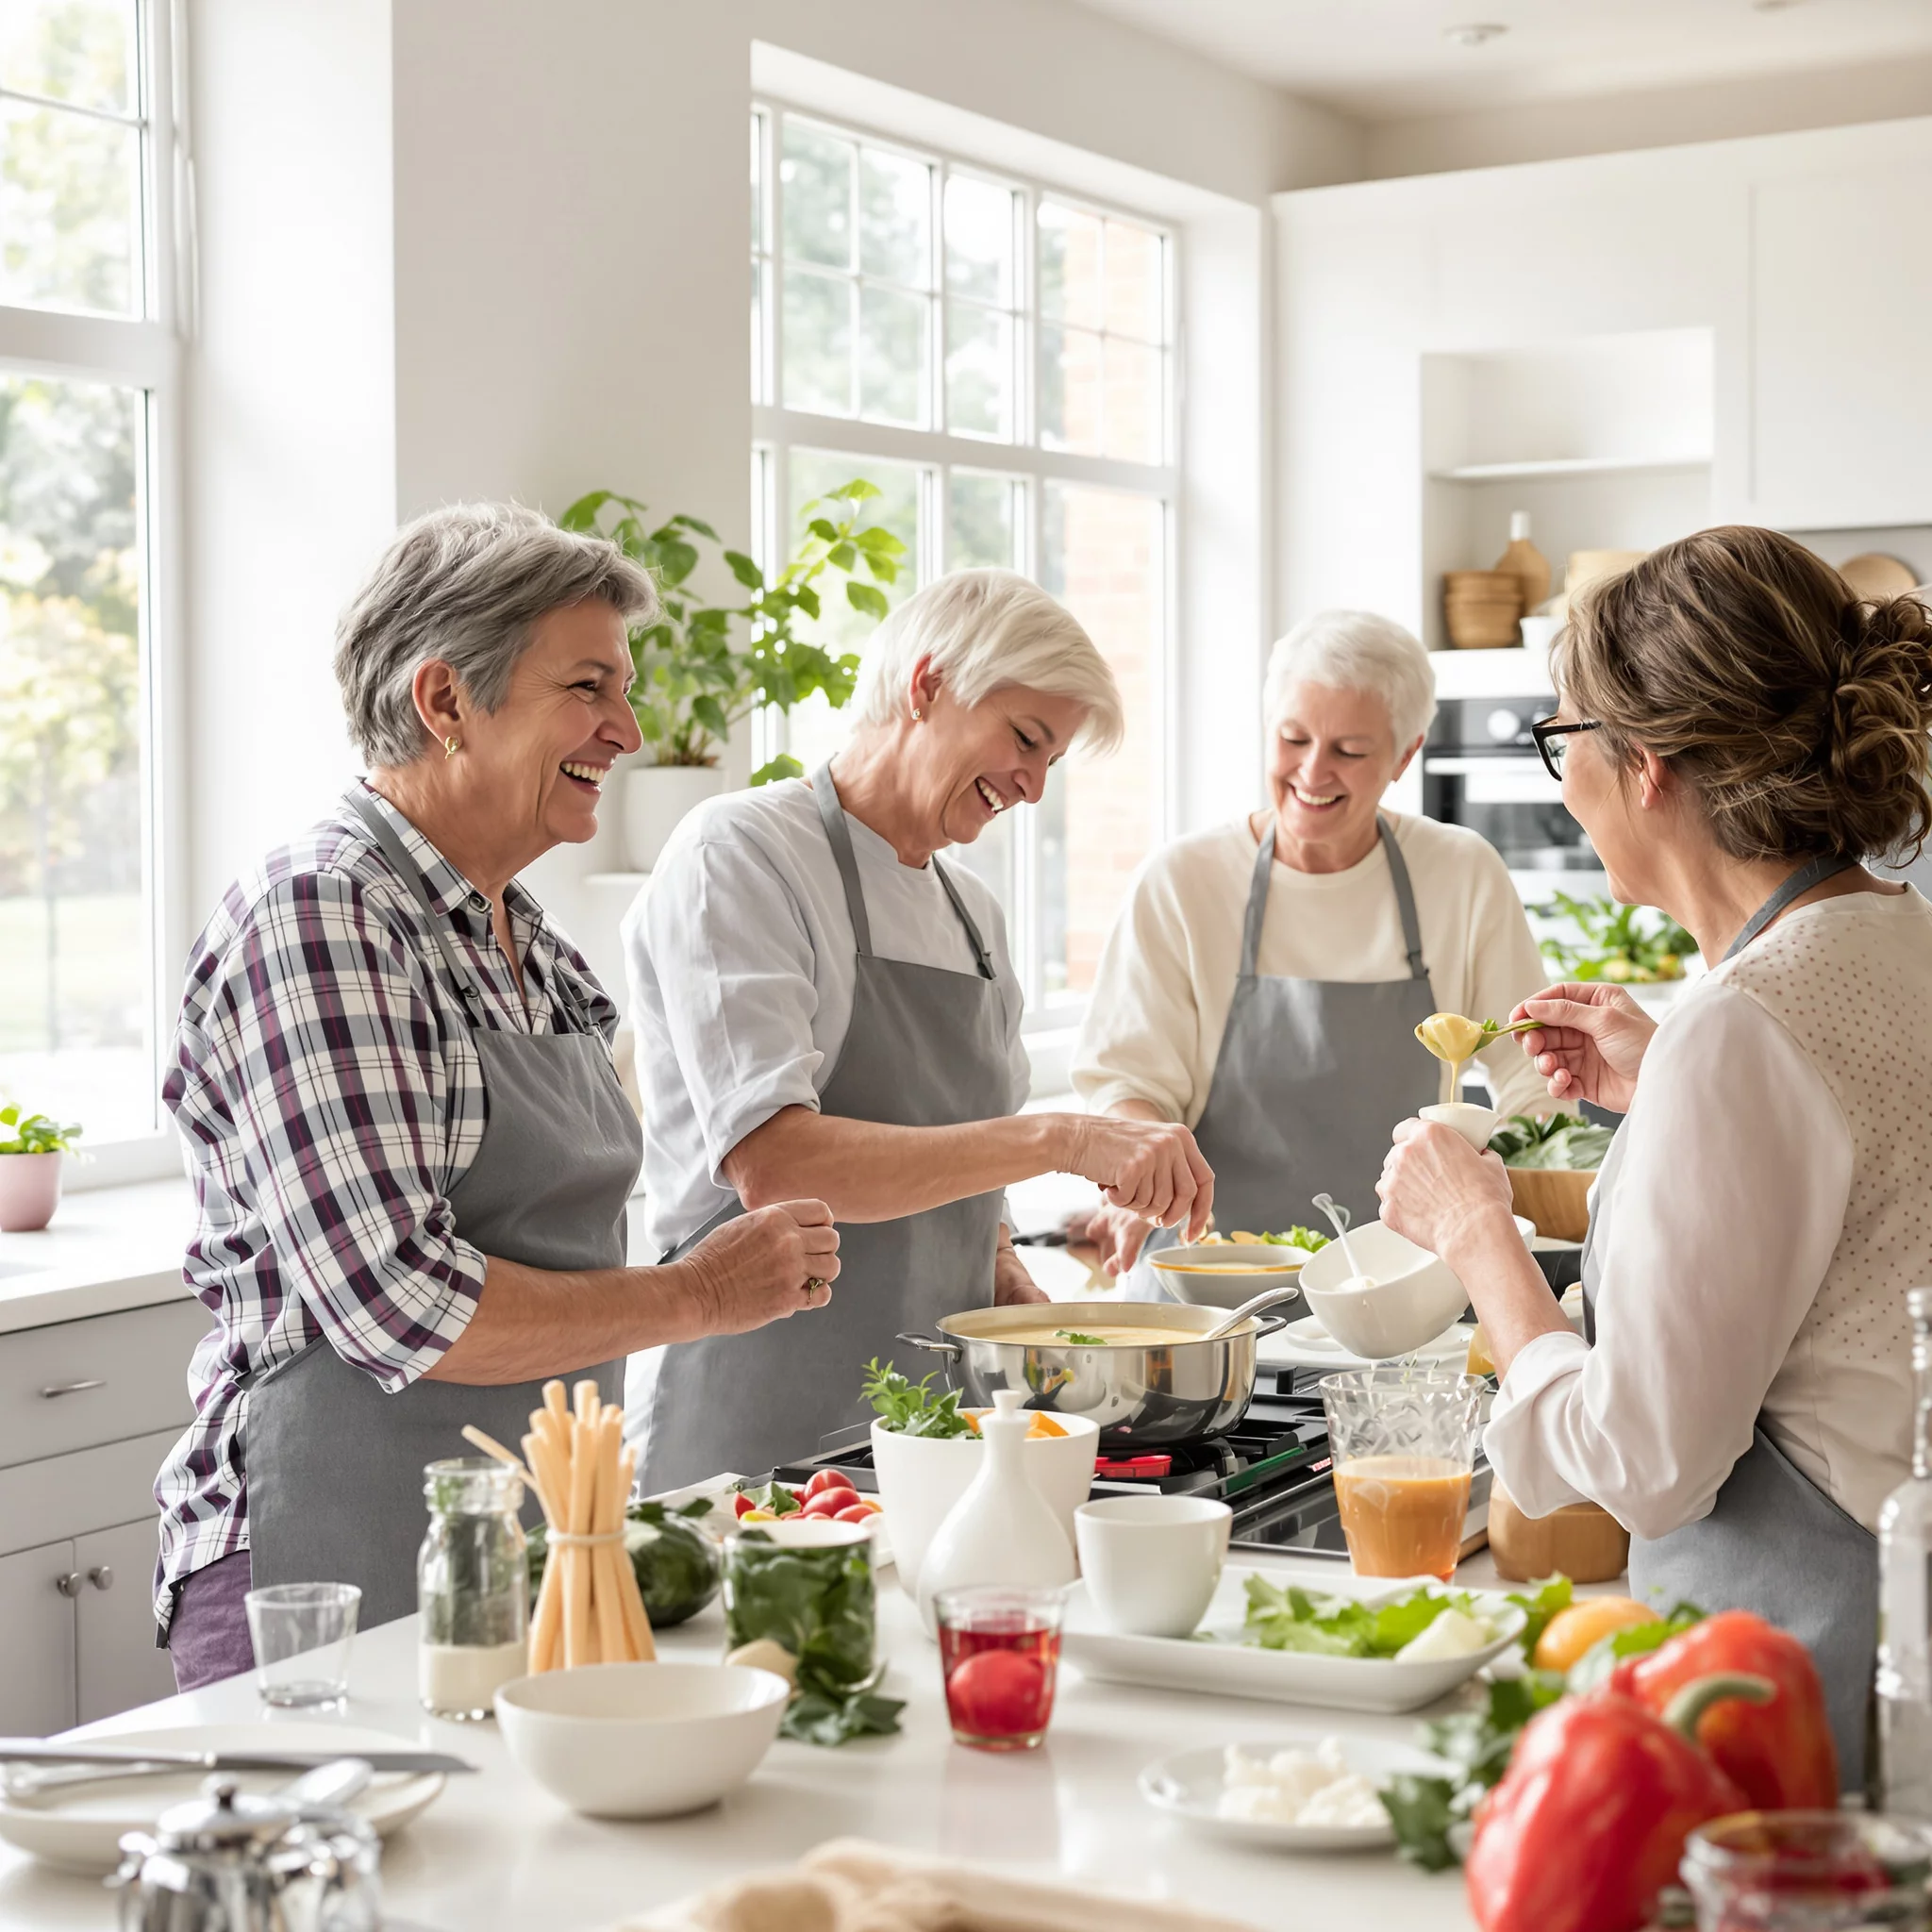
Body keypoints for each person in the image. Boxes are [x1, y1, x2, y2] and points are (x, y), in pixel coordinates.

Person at [157, 504, 841, 1689]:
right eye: (588, 686)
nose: (626, 729)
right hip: (330, 1565)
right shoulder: (323, 916)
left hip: (514, 1551)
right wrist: (702, 1293)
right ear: (444, 701)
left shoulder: (528, 938)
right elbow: (398, 1305)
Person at [1376, 526, 1932, 1783]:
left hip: (1787, 1685)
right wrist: (1665, 1093)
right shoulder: (1894, 945)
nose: (1561, 782)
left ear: (1649, 765)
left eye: (1563, 739)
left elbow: (1646, 1466)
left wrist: (1481, 1243)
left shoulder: (1744, 1028)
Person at [625, 569, 1213, 1490]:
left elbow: (962, 1176)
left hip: (928, 1436)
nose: (1029, 785)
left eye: (1050, 761)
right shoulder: (739, 854)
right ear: (926, 681)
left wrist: (1006, 1278)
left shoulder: (972, 913)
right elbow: (777, 1165)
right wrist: (1061, 1137)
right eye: (1024, 738)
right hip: (747, 1439)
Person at [1071, 609, 1548, 1278]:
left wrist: (1503, 1214)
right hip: (1213, 1292)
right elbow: (1127, 1081)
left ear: (1405, 755)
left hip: (1408, 1291)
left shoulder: (1461, 872)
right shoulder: (1184, 881)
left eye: (1350, 751)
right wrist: (1137, 1170)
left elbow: (1533, 1075)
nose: (1313, 772)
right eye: (1293, 739)